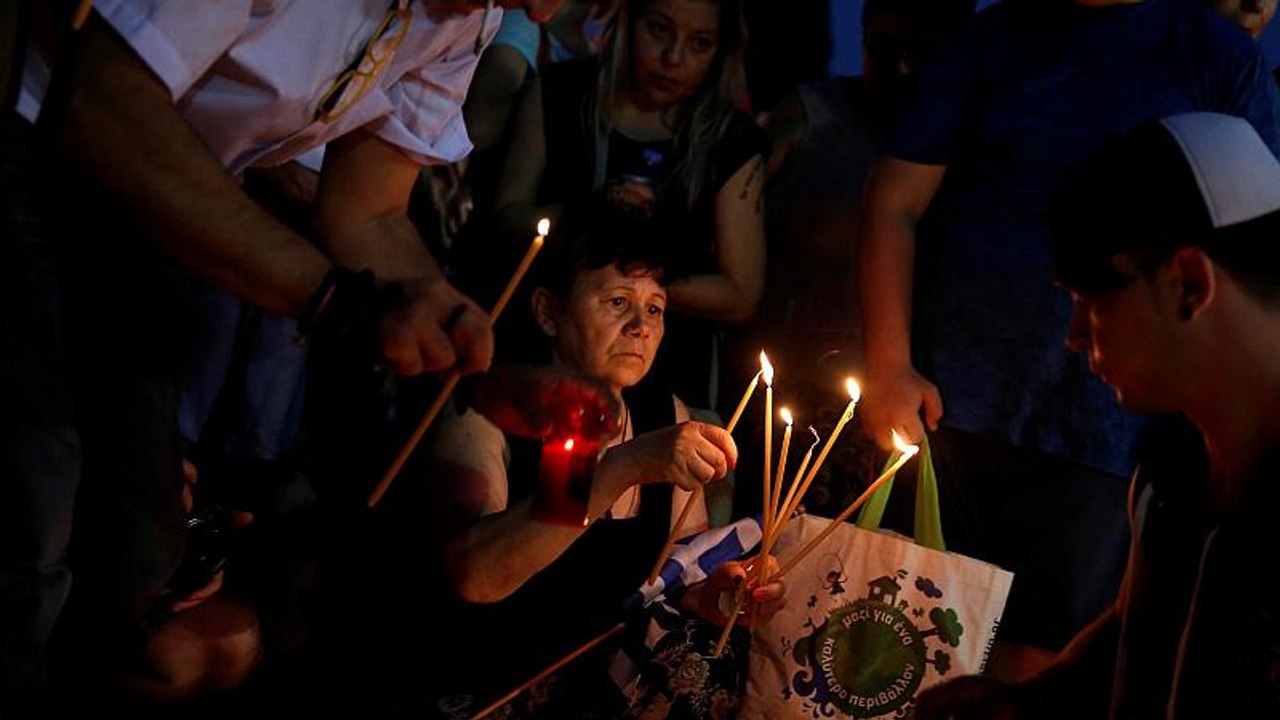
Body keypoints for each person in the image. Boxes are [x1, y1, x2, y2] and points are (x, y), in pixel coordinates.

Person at [5, 0, 596, 711]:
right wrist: (334, 302)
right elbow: (101, 94)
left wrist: (471, 363)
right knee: (29, 522)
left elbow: (369, 209)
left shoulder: (461, 20)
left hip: (144, 224)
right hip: (32, 151)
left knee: (134, 555)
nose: (542, 10)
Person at [855, 0, 1280, 666]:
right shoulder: (991, 39)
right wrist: (888, 364)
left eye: (1088, 300)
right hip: (956, 404)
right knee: (907, 647)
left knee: (1049, 643)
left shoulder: (1214, 55)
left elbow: (1252, 245)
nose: (1075, 332)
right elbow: (894, 199)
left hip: (1106, 442)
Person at [917, 111, 1280, 719]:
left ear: (1189, 283)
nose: (1075, 336)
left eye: (1091, 299)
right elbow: (1138, 627)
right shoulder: (1176, 464)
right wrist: (1029, 702)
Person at [421, 205, 783, 717]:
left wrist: (719, 595)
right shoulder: (487, 410)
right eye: (617, 302)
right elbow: (474, 576)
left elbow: (670, 585)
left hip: (604, 694)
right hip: (487, 690)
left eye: (655, 308)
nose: (641, 327)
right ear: (548, 311)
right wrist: (622, 466)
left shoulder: (663, 416)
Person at [490, 0, 768, 413]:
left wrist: (633, 284)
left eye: (700, 43)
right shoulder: (560, 94)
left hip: (669, 382)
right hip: (544, 364)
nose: (674, 57)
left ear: (721, 52)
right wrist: (584, 215)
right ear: (626, 18)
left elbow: (740, 294)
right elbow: (504, 215)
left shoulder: (729, 141)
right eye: (658, 30)